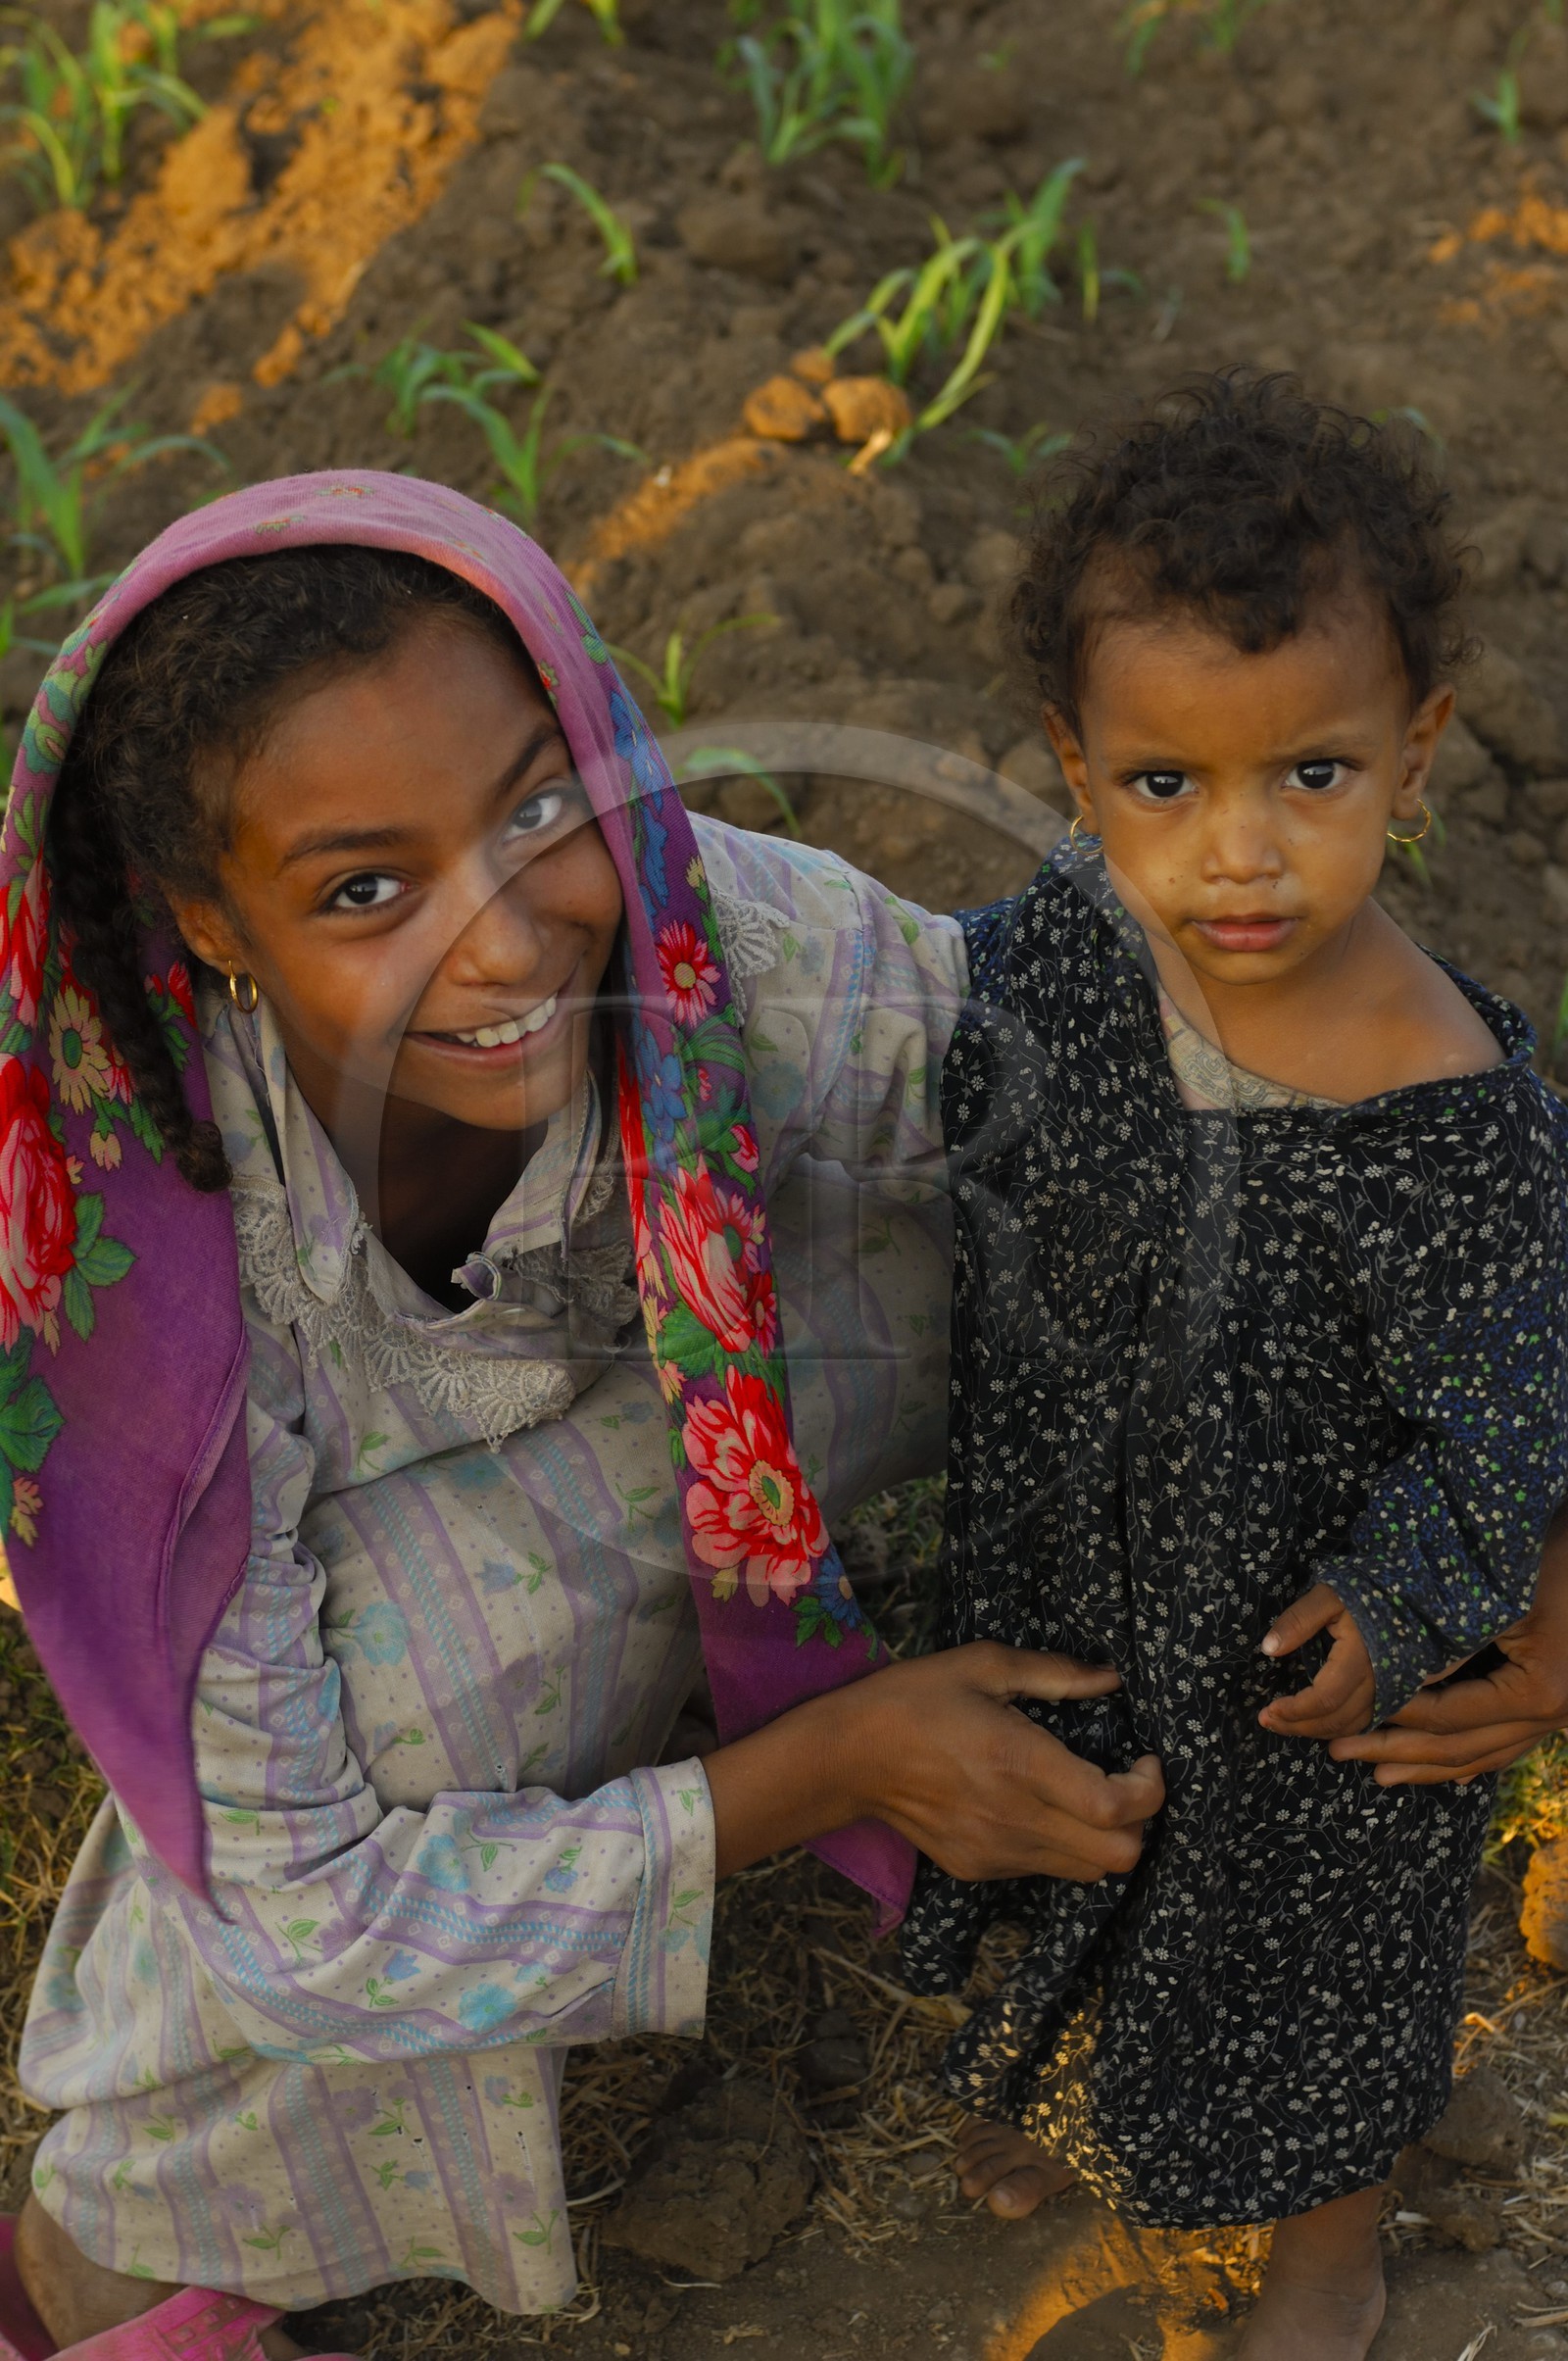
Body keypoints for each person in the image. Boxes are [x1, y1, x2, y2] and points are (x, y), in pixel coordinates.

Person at [0, 474, 1170, 2361]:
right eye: (363, 888)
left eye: (538, 804)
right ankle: (123, 2259)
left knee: (1122, 1189)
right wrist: (837, 1764)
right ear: (214, 916)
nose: (506, 938)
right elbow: (307, 1917)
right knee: (404, 1711)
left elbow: (1132, 1073)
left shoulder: (701, 934)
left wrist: (1513, 1484)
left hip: (707, 1392)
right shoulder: (123, 1262)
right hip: (344, 1599)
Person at [898, 371, 1568, 2361]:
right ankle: (1064, 2084)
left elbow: (1501, 1426)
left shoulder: (1448, 1119)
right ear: (1074, 767)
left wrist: (1396, 1597)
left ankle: (1329, 2245)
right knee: (1060, 1834)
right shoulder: (1061, 945)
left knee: (1310, 1955)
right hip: (1076, 1549)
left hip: (1296, 1649)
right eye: (1163, 786)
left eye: (1313, 776)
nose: (1238, 857)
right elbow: (960, 1084)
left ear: (1414, 751)